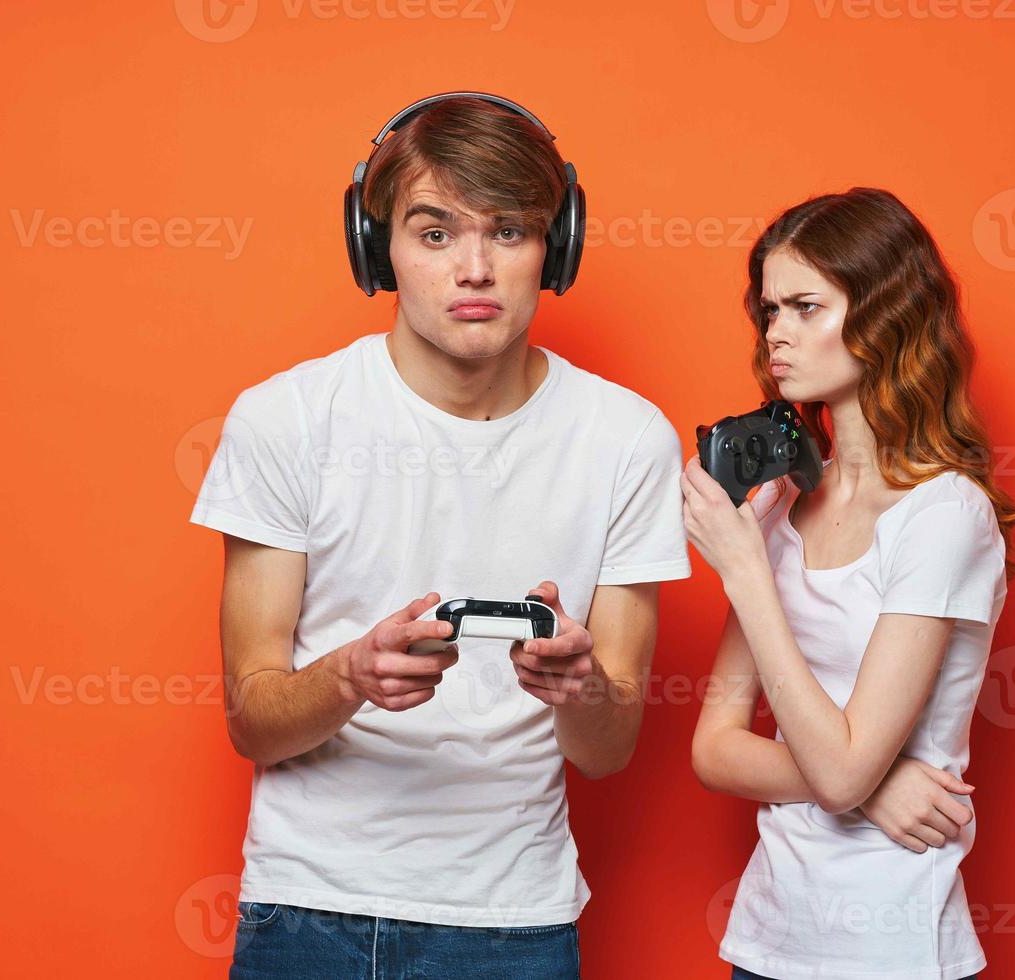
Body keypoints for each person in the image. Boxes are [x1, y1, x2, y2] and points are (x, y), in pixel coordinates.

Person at [189, 92, 690, 979]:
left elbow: (608, 753)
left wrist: (578, 688)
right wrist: (351, 673)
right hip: (312, 911)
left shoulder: (627, 439)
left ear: (557, 246)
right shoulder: (285, 421)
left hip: (518, 920)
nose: (474, 268)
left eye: (507, 231)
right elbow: (251, 722)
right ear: (375, 245)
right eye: (434, 233)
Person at [683, 188, 1015, 980]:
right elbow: (714, 750)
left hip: (890, 951)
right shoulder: (783, 506)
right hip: (766, 942)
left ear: (884, 315)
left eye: (805, 307)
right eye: (770, 310)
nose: (778, 334)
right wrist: (878, 782)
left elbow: (838, 771)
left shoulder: (945, 517)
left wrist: (744, 570)